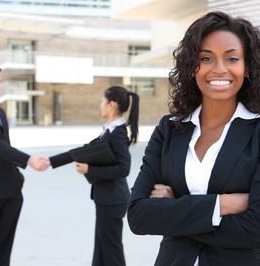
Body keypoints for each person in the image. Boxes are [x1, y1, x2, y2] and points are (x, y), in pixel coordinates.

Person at [127, 11, 260, 266]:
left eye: (232, 58)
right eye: (206, 58)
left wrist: (174, 210)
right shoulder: (169, 129)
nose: (219, 69)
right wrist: (221, 205)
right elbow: (138, 216)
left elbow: (255, 227)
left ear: (247, 66)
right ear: (192, 66)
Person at [49, 86, 139, 266]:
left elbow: (124, 168)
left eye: (102, 102)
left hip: (112, 200)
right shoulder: (110, 130)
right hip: (107, 198)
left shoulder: (118, 133)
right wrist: (51, 161)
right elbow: (85, 150)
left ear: (111, 105)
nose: (100, 106)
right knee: (102, 247)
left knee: (111, 249)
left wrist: (90, 170)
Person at [0, 64, 50, 266]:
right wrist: (28, 160)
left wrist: (17, 176)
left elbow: (5, 146)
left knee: (4, 247)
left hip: (10, 189)